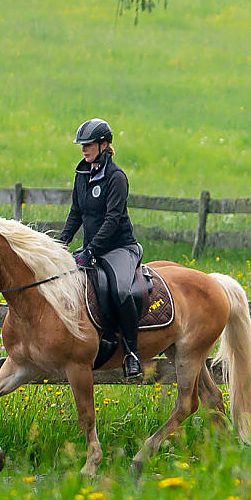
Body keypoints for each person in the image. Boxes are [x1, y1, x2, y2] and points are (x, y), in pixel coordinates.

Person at [59, 118, 143, 378]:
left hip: (120, 248)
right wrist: (60, 245)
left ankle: (131, 353)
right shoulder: (82, 174)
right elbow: (76, 214)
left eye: (89, 144)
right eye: (82, 145)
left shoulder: (116, 177)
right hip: (92, 248)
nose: (84, 149)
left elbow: (112, 219)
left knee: (120, 291)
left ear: (104, 145)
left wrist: (91, 250)